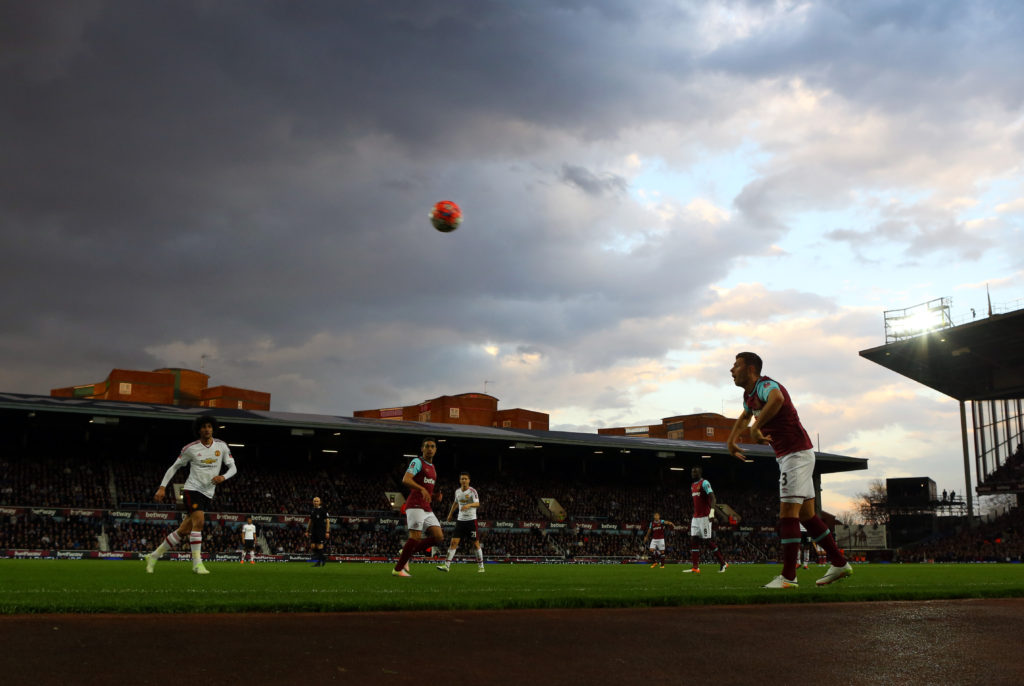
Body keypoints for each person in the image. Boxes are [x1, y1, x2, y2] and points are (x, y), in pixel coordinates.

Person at [726, 352, 852, 589]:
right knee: (806, 516)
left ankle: (788, 577)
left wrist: (756, 427)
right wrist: (731, 440)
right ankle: (839, 562)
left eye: (736, 365)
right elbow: (744, 416)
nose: (731, 370)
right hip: (792, 455)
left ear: (751, 369)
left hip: (795, 454)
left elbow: (778, 399)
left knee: (788, 514)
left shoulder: (765, 386)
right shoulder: (749, 395)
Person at [144, 415, 236, 575]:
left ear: (213, 428)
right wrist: (162, 487)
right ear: (199, 430)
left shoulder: (221, 446)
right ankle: (197, 564)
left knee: (183, 531)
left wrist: (223, 477)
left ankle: (153, 556)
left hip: (208, 493)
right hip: (192, 490)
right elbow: (174, 467)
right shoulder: (190, 448)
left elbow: (233, 467)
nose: (207, 429)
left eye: (209, 426)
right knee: (199, 523)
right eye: (203, 427)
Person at [392, 438, 444, 577]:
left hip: (426, 507)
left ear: (436, 450)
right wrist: (421, 489)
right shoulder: (417, 462)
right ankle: (398, 569)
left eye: (432, 446)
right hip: (415, 504)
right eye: (427, 446)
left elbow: (427, 491)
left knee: (439, 537)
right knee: (415, 537)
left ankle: (406, 552)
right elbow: (406, 479)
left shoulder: (433, 468)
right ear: (422, 449)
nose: (430, 449)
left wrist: (435, 497)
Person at [682, 467, 728, 574]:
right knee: (694, 540)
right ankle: (695, 567)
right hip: (695, 518)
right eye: (692, 472)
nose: (693, 473)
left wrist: (712, 513)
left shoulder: (705, 483)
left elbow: (713, 498)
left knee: (707, 542)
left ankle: (723, 563)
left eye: (695, 472)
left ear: (700, 473)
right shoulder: (692, 486)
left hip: (705, 518)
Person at [437, 471, 485, 573]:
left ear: (469, 480)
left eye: (465, 479)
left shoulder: (472, 491)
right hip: (460, 521)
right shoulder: (457, 491)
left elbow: (477, 504)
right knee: (453, 543)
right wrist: (450, 514)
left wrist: (469, 505)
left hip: (471, 521)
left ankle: (481, 566)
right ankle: (446, 566)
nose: (464, 480)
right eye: (462, 479)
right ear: (460, 480)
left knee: (476, 544)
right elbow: (455, 503)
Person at [307, 496, 330, 567]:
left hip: (321, 530)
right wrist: (307, 530)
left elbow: (328, 521)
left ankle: (318, 563)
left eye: (317, 501)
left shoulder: (323, 510)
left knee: (319, 546)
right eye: (314, 501)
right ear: (313, 502)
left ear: (320, 502)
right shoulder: (312, 510)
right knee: (313, 546)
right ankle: (323, 558)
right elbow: (310, 521)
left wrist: (327, 531)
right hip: (313, 530)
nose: (316, 502)